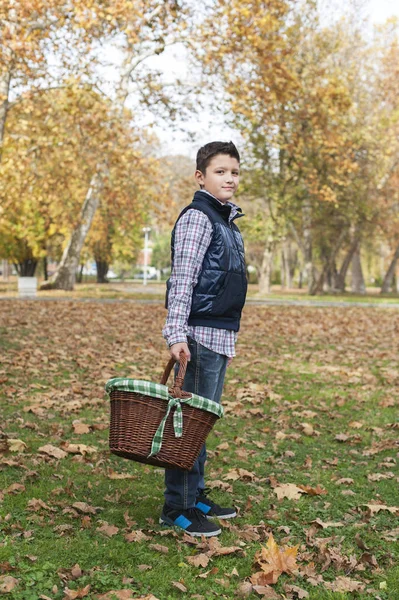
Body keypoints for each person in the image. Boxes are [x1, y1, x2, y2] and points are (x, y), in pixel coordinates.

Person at [160, 141, 247, 537]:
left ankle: (193, 494)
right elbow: (183, 278)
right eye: (220, 171)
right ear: (201, 176)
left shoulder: (226, 221)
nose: (229, 178)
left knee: (201, 423)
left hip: (219, 335)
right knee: (187, 425)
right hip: (197, 336)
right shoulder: (198, 217)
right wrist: (176, 333)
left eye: (234, 172)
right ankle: (176, 506)